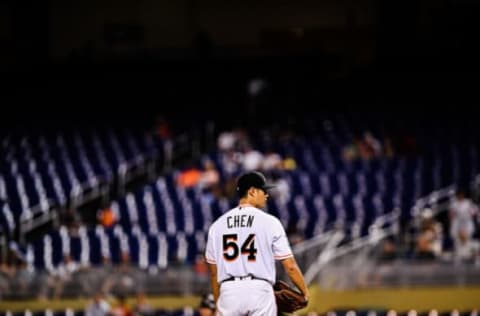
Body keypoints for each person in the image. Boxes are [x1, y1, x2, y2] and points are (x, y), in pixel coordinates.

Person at [205, 171, 309, 315]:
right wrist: (304, 292)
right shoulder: (270, 222)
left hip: (229, 291)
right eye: (263, 190)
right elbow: (290, 266)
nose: (266, 195)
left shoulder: (217, 226)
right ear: (252, 191)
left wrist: (218, 304)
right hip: (259, 290)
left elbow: (213, 273)